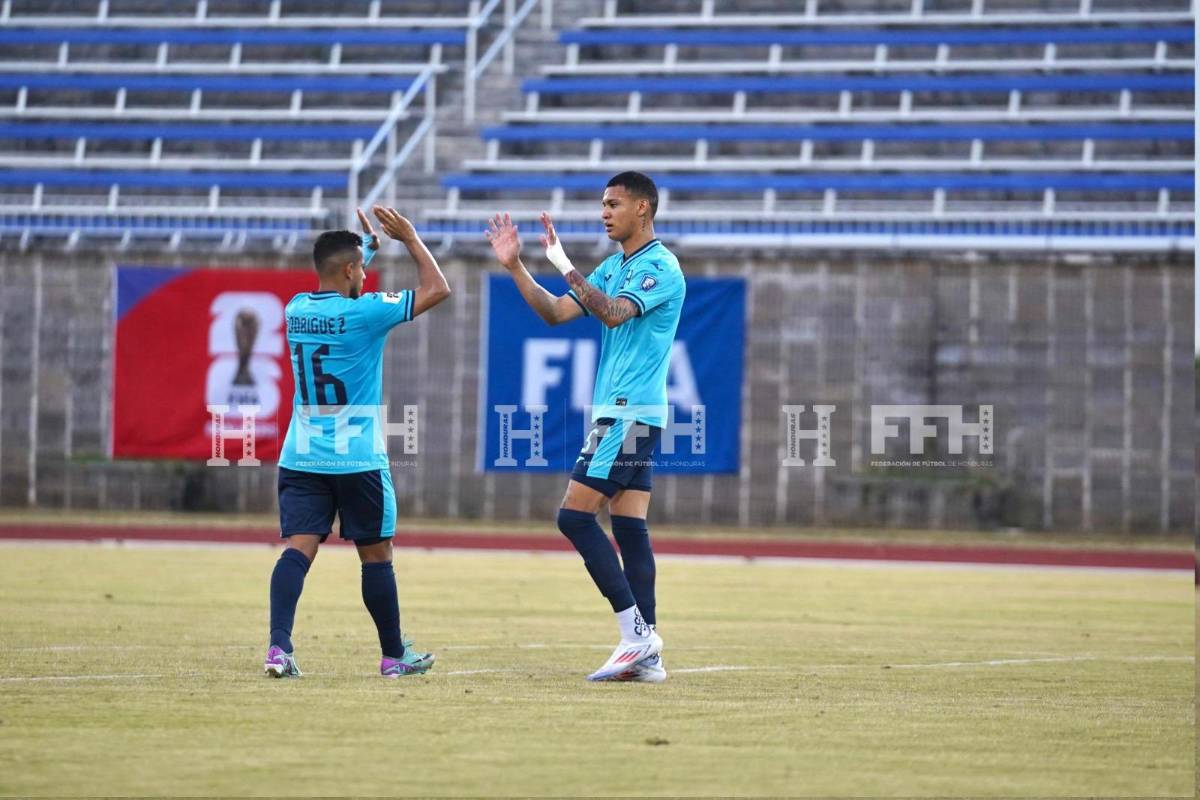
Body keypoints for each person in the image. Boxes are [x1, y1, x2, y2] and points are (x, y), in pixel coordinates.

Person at [485, 172, 685, 683]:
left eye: (613, 203)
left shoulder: (660, 266)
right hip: (627, 414)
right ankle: (650, 656)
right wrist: (516, 267)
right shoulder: (614, 265)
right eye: (602, 204)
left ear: (643, 208)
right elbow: (555, 312)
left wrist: (565, 265)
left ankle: (636, 634)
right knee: (630, 527)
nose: (604, 212)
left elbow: (615, 314)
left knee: (573, 518)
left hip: (629, 413)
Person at [264, 206, 451, 679]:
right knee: (376, 555)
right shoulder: (365, 313)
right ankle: (393, 655)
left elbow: (338, 274)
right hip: (358, 458)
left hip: (302, 455)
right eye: (362, 269)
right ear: (349, 270)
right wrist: (409, 238)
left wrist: (363, 249)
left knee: (297, 549)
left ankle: (278, 648)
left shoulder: (296, 310)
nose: (367, 276)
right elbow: (438, 289)